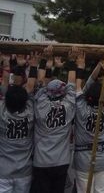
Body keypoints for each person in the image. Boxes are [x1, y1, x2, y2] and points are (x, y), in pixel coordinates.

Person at [32, 48, 79, 193]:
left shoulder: (41, 104)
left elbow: (39, 84)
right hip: (61, 161)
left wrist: (44, 61)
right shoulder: (68, 106)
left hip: (41, 160)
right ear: (63, 93)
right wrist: (72, 61)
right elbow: (71, 85)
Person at [73, 56, 104, 193]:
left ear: (88, 96)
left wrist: (81, 66)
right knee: (102, 190)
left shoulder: (81, 108)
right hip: (102, 157)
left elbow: (79, 87)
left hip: (83, 159)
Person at [0, 54, 36, 193]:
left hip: (3, 171)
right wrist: (33, 65)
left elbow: (4, 86)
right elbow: (31, 86)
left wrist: (7, 65)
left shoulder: (2, 113)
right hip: (24, 171)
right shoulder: (30, 114)